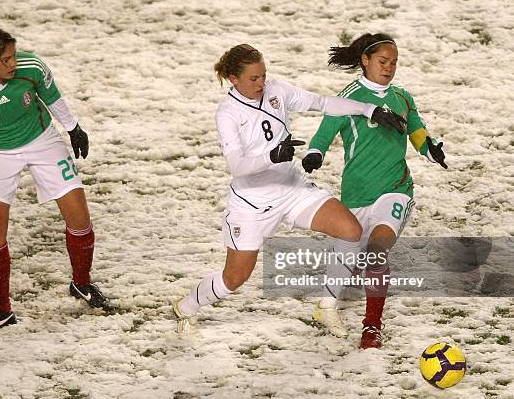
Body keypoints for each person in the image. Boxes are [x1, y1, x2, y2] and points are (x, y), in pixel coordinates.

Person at [172, 43, 408, 334]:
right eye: (253, 79)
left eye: (263, 75)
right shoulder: (228, 114)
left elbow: (322, 103)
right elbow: (237, 165)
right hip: (252, 204)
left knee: (350, 230)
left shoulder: (276, 90)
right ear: (234, 79)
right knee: (235, 278)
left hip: (291, 188)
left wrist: (369, 110)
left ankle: (326, 308)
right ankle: (186, 307)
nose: (261, 83)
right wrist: (272, 156)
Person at [0, 25, 113, 331]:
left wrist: (73, 127)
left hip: (42, 141)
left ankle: (82, 283)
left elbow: (52, 96)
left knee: (79, 216)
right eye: (5, 59)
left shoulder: (32, 67)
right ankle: (2, 311)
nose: (14, 63)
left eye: (14, 55)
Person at [304, 33, 447, 348]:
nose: (389, 68)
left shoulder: (402, 97)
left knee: (377, 250)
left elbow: (417, 129)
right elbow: (323, 134)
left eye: (394, 62)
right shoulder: (349, 98)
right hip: (356, 196)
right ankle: (325, 308)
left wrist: (430, 148)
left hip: (395, 189)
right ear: (365, 60)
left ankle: (371, 328)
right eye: (383, 61)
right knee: (343, 264)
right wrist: (314, 153)